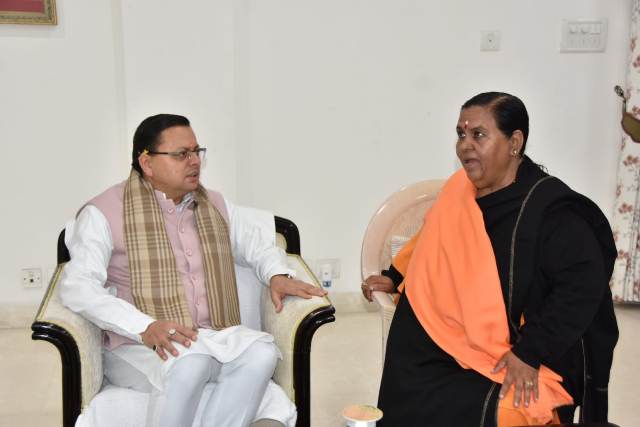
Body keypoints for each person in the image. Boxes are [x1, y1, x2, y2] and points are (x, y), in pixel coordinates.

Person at [362, 92, 618, 426]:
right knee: (407, 388)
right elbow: (432, 239)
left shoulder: (550, 211)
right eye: (460, 134)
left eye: (478, 135)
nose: (464, 145)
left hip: (518, 351)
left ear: (515, 143)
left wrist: (529, 353)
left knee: (509, 412)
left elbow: (582, 287)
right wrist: (395, 275)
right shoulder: (459, 189)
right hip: (443, 348)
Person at [59, 114, 326, 427]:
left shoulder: (212, 205)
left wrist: (276, 274)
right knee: (192, 363)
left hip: (210, 336)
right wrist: (144, 326)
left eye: (197, 152)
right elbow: (78, 287)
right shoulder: (104, 212)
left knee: (261, 354)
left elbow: (257, 241)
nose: (194, 161)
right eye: (181, 154)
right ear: (147, 162)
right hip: (137, 347)